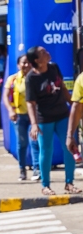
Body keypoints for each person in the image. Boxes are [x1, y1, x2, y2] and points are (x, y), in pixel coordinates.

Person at [24, 46, 77, 195]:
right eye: (42, 52)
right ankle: (45, 185)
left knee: (70, 147)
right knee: (46, 151)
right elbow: (30, 103)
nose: (47, 52)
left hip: (63, 115)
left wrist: (74, 106)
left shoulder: (54, 67)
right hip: (44, 119)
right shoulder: (31, 78)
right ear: (36, 60)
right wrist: (34, 124)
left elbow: (64, 89)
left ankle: (69, 183)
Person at [4, 55, 34, 181]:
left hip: (35, 116)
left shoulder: (35, 77)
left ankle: (37, 169)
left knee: (36, 142)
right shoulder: (13, 79)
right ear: (18, 65)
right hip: (19, 114)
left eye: (28, 63)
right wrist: (10, 110)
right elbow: (5, 96)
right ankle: (22, 169)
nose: (26, 65)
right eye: (23, 63)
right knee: (22, 143)